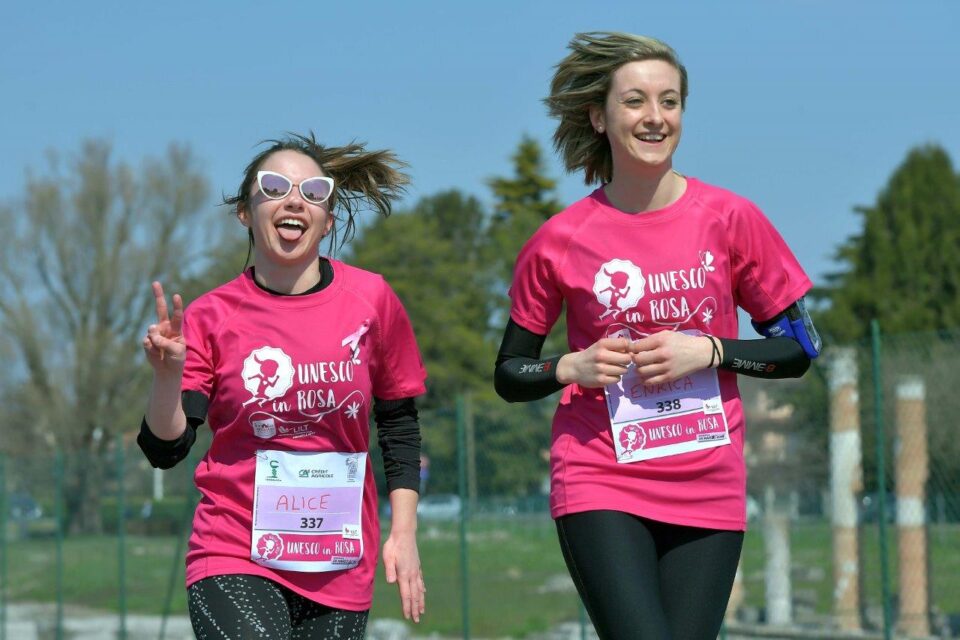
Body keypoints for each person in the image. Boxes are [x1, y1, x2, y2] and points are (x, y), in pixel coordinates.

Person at [494, 33, 821, 640]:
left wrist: (713, 350)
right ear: (599, 116)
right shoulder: (560, 239)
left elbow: (800, 349)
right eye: (636, 101)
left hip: (709, 482)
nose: (654, 117)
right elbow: (511, 373)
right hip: (601, 476)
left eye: (669, 102)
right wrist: (572, 366)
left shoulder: (730, 219)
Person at [139, 133, 428, 639]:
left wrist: (404, 534)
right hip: (233, 553)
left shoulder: (372, 300)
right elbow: (166, 449)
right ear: (245, 213)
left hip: (340, 565)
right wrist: (167, 377)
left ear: (328, 220)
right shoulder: (212, 316)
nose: (295, 200)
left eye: (313, 192)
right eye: (274, 187)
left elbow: (399, 425)